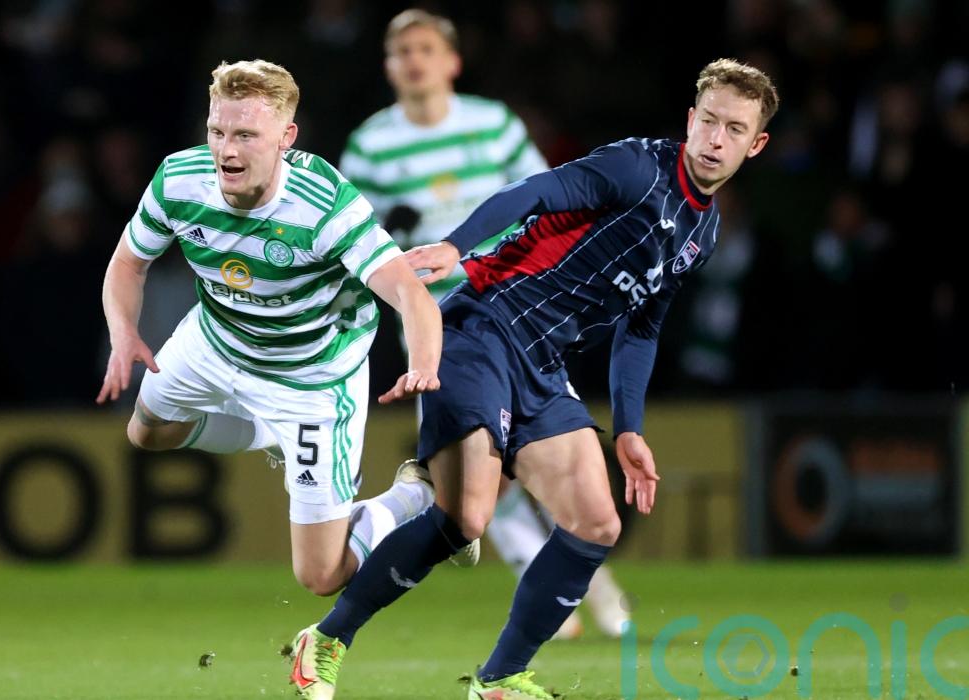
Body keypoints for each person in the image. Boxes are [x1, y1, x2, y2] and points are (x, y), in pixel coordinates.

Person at [289, 58, 778, 700]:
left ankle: (499, 679)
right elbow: (535, 192)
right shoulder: (638, 168)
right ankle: (327, 639)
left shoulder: (703, 229)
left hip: (543, 363)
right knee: (467, 518)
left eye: (734, 130)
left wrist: (630, 429)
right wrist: (457, 245)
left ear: (755, 144)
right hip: (484, 326)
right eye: (708, 121)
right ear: (690, 119)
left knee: (596, 521)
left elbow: (642, 328)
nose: (715, 139)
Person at [97, 59, 443, 598]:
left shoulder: (325, 206)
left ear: (286, 137)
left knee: (321, 576)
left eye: (245, 136)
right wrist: (124, 333)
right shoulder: (179, 179)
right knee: (145, 431)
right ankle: (269, 433)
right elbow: (127, 263)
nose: (226, 151)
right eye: (217, 132)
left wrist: (422, 365)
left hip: (311, 374)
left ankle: (413, 495)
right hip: (216, 339)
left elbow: (409, 295)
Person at [339, 7, 629, 641]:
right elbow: (348, 235)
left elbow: (547, 196)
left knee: (535, 453)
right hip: (436, 324)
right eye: (402, 51)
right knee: (480, 465)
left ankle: (580, 571)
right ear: (388, 66)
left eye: (425, 49)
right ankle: (555, 585)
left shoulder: (493, 126)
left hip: (518, 310)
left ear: (452, 61)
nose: (414, 61)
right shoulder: (370, 145)